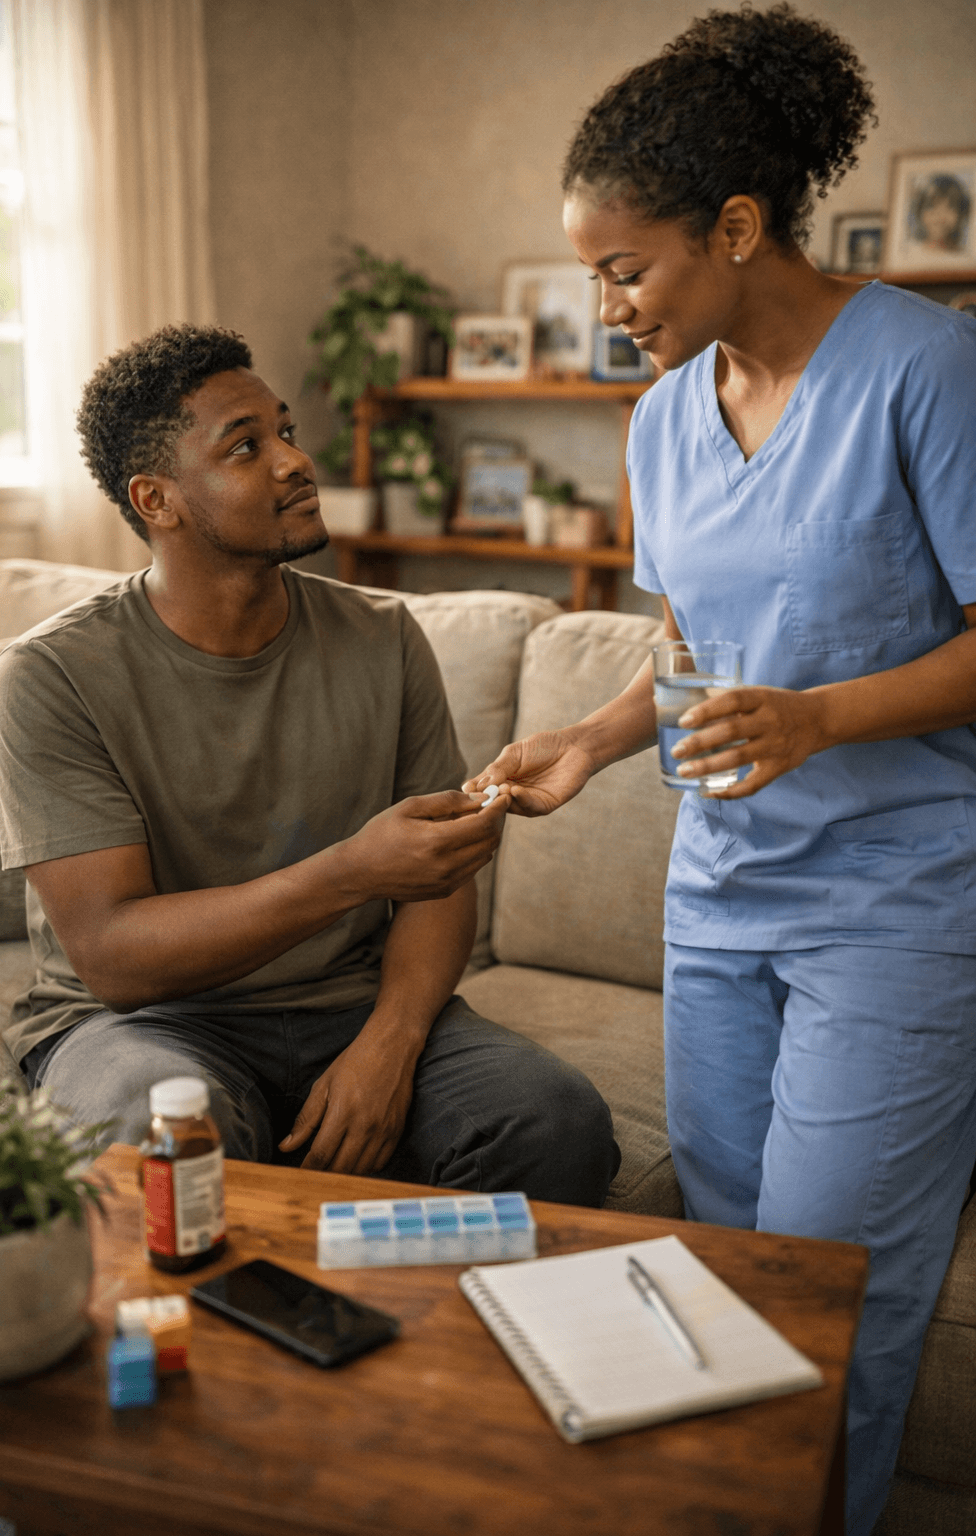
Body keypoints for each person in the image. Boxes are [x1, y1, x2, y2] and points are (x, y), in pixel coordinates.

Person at [465, 7, 976, 1532]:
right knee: (722, 1281)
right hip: (720, 906)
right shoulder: (659, 420)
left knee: (831, 1302)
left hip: (895, 906)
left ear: (739, 226)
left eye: (626, 267)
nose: (605, 303)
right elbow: (693, 648)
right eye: (590, 273)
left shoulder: (929, 369)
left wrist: (820, 719)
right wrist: (589, 737)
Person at [0, 323, 617, 1207]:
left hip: (352, 1005)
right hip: (143, 1024)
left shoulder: (385, 639)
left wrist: (390, 1043)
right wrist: (349, 872)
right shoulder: (52, 674)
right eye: (247, 447)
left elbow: (437, 883)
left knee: (553, 1124)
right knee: (158, 1134)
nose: (293, 461)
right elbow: (116, 958)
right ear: (156, 500)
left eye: (286, 431)